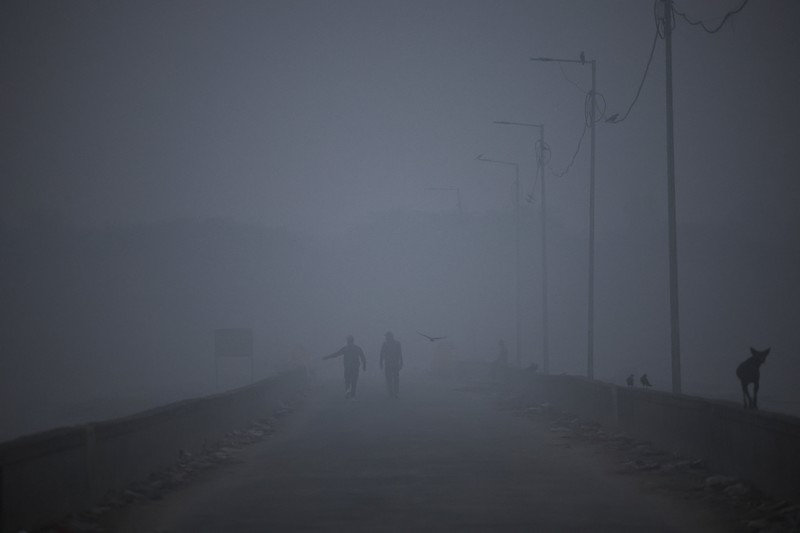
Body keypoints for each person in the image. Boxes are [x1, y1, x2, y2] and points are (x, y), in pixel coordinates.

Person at [380, 331, 403, 398]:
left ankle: (393, 393)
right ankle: (393, 393)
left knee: (391, 379)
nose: (386, 338)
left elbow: (400, 353)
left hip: (391, 364)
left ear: (389, 337)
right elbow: (382, 354)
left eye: (386, 336)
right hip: (392, 364)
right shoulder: (396, 343)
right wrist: (401, 362)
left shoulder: (386, 344)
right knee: (393, 379)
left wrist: (381, 362)